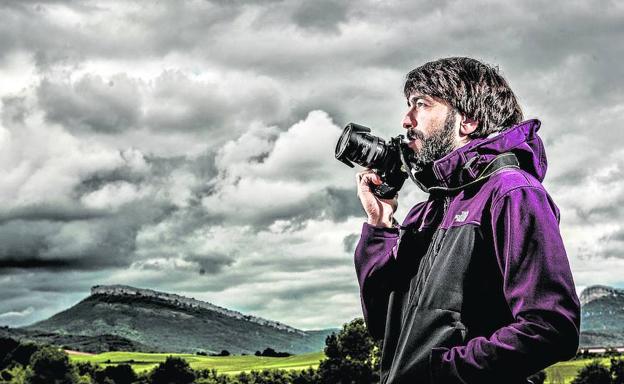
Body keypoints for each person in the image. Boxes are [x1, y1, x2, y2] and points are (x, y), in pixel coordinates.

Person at [353, 57, 581, 384]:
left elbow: (551, 327)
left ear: (468, 120)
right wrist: (380, 225)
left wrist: (440, 372)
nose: (406, 120)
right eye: (408, 106)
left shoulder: (512, 193)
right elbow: (381, 324)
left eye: (421, 104)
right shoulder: (425, 214)